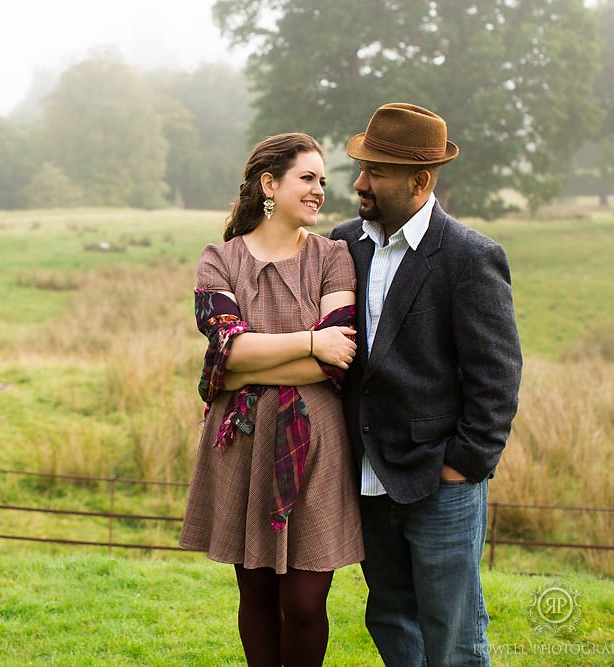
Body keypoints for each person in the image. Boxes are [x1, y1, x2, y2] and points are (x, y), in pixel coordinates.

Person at [330, 103, 523, 666]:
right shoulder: (344, 243)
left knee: (452, 632)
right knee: (389, 615)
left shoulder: (470, 256)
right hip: (366, 475)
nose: (360, 182)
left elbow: (496, 376)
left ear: (420, 181)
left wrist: (463, 464)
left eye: (376, 173)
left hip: (442, 482)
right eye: (362, 168)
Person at [180, 132, 364, 667]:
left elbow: (339, 355)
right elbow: (230, 348)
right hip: (245, 439)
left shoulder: (333, 256)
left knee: (305, 602)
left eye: (323, 181)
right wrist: (309, 342)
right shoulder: (219, 260)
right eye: (307, 178)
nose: (319, 191)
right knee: (256, 593)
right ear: (269, 184)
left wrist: (242, 369)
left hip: (318, 443)